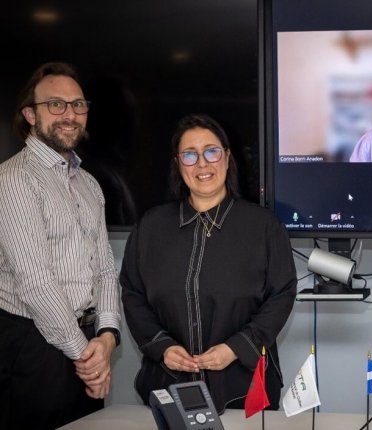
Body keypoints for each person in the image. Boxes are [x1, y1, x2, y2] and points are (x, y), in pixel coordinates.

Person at [120, 114, 297, 413]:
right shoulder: (150, 228)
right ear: (178, 164)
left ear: (227, 158)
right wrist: (162, 347)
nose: (202, 164)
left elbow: (282, 295)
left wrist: (235, 348)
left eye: (211, 151)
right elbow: (133, 294)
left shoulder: (264, 227)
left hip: (244, 390)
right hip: (168, 386)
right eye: (190, 155)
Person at [0, 62, 121, 428]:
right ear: (30, 115)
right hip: (32, 348)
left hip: (85, 340)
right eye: (56, 104)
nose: (69, 115)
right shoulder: (14, 180)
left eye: (77, 105)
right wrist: (88, 358)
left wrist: (107, 337)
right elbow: (36, 283)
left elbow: (104, 269)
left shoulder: (88, 184)